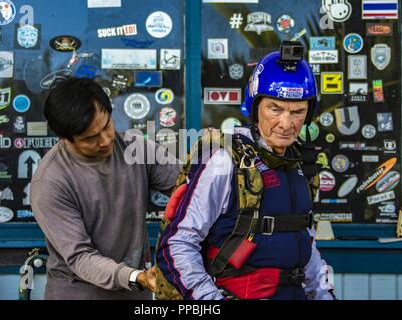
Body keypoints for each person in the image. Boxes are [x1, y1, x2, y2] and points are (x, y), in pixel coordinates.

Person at [155, 42, 336, 300]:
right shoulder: (225, 161)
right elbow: (178, 244)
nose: (286, 123)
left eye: (297, 112)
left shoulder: (301, 166)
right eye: (275, 109)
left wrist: (324, 294)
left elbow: (307, 245)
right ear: (255, 106)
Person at [31, 77, 180, 299]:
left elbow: (187, 186)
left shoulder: (135, 148)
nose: (105, 140)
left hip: (135, 293)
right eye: (90, 138)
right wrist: (136, 277)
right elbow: (80, 257)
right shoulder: (51, 182)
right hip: (79, 295)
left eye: (107, 125)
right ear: (66, 139)